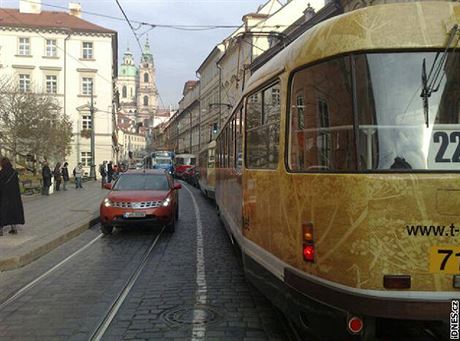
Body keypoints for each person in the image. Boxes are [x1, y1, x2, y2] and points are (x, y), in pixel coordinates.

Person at [0, 158, 25, 236]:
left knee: (2, 211)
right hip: (14, 196)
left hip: (4, 196)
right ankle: (13, 228)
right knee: (13, 211)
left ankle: (0, 230)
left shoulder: (2, 173)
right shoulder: (14, 172)